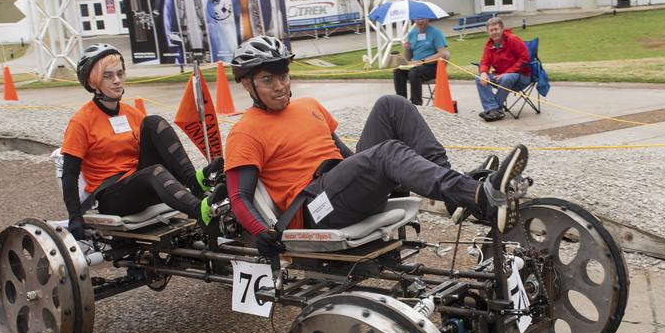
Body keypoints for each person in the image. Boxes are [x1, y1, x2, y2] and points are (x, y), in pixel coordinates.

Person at [223, 36, 527, 260]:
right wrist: (263, 233)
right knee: (387, 153)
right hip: (315, 209)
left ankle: (454, 197)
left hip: (338, 186)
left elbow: (341, 154)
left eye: (283, 76)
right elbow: (239, 196)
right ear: (247, 85)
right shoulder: (245, 131)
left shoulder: (308, 105)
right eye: (268, 79)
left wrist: (379, 172)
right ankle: (478, 195)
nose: (280, 86)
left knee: (391, 104)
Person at [61, 44, 222, 240]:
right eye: (108, 76)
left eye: (120, 73)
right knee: (155, 172)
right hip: (112, 197)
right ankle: (201, 210)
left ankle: (194, 181)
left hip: (141, 184)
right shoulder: (81, 121)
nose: (117, 81)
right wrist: (75, 218)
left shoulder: (131, 114)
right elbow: (69, 175)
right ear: (93, 82)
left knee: (154, 122)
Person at [475, 17, 531, 122]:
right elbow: (485, 61)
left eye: (496, 29)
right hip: (500, 76)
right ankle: (493, 109)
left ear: (502, 29)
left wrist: (506, 73)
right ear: (488, 32)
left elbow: (525, 59)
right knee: (479, 78)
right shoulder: (489, 45)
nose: (494, 32)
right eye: (491, 30)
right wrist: (483, 73)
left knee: (506, 78)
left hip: (521, 76)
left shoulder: (513, 39)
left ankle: (493, 110)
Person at [393, 17, 448, 105]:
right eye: (417, 19)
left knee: (414, 72)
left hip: (432, 67)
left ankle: (416, 104)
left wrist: (422, 61)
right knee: (398, 71)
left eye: (422, 19)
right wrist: (407, 49)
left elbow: (443, 54)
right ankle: (401, 103)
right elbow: (408, 58)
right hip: (415, 66)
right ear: (414, 20)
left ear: (428, 19)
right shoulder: (412, 33)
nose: (420, 21)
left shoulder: (436, 33)